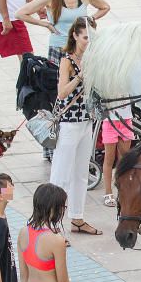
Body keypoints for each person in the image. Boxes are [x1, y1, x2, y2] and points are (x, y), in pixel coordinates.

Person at [48, 17, 100, 236]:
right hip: (69, 123)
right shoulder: (67, 60)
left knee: (80, 173)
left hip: (86, 121)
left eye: (92, 37)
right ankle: (52, 222)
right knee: (60, 173)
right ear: (76, 36)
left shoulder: (93, 58)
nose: (89, 41)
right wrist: (80, 77)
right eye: (86, 37)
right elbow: (61, 93)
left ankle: (77, 217)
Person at [15, 0, 110, 65]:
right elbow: (20, 13)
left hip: (81, 48)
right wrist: (45, 24)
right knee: (60, 81)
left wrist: (90, 19)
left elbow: (105, 7)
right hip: (59, 48)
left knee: (82, 80)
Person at [100, 105, 134, 209]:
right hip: (109, 120)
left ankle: (123, 189)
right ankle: (108, 192)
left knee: (124, 159)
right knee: (109, 159)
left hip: (126, 120)